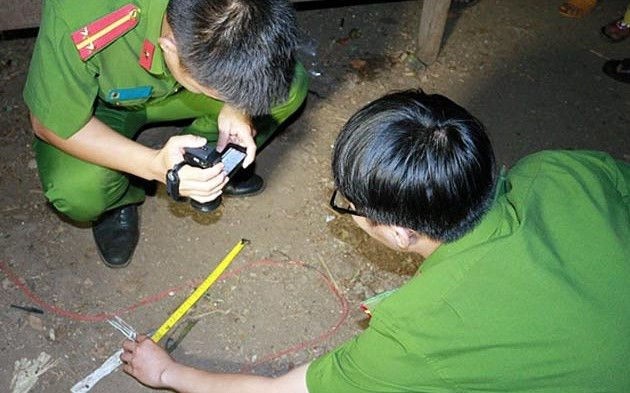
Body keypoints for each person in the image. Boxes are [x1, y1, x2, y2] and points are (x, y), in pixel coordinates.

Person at [120, 90, 630, 392]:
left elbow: (281, 391)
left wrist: (166, 373)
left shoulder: (421, 333)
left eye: (350, 207)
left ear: (399, 232)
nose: (348, 214)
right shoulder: (563, 169)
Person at [23, 0, 308, 268]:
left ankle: (206, 164)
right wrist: (152, 165)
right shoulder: (81, 13)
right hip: (101, 104)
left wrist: (238, 107)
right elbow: (49, 123)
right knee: (78, 189)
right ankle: (119, 201)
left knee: (287, 89)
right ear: (169, 47)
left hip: (180, 86)